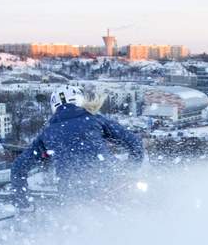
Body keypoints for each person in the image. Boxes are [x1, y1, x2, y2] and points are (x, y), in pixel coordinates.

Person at [10, 85, 144, 207]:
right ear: (80, 101)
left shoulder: (47, 134)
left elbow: (18, 168)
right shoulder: (95, 120)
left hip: (74, 196)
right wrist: (128, 169)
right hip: (111, 184)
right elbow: (134, 143)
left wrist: (23, 204)